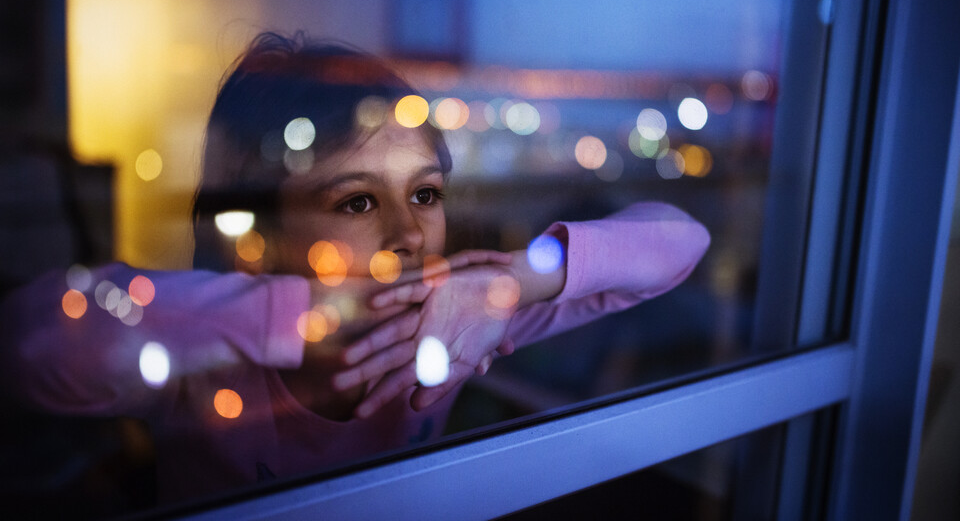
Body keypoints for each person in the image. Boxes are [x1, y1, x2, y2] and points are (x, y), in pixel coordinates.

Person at [0, 32, 710, 505]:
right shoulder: (203, 362)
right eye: (358, 200)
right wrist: (298, 316)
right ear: (262, 231)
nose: (408, 233)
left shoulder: (459, 318)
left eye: (425, 193)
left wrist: (515, 282)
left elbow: (680, 241)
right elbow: (26, 349)